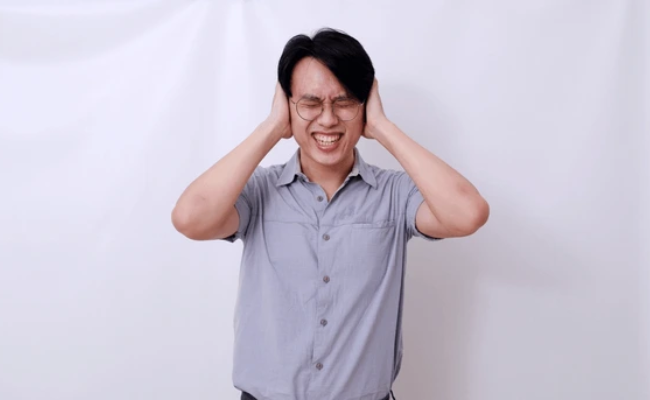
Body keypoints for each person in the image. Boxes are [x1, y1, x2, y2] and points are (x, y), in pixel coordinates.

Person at [172, 28, 489, 400]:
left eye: (344, 102)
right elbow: (189, 218)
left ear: (364, 106)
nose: (327, 119)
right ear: (288, 104)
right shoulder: (258, 191)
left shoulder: (394, 194)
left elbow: (468, 214)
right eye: (310, 103)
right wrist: (272, 127)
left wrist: (383, 128)